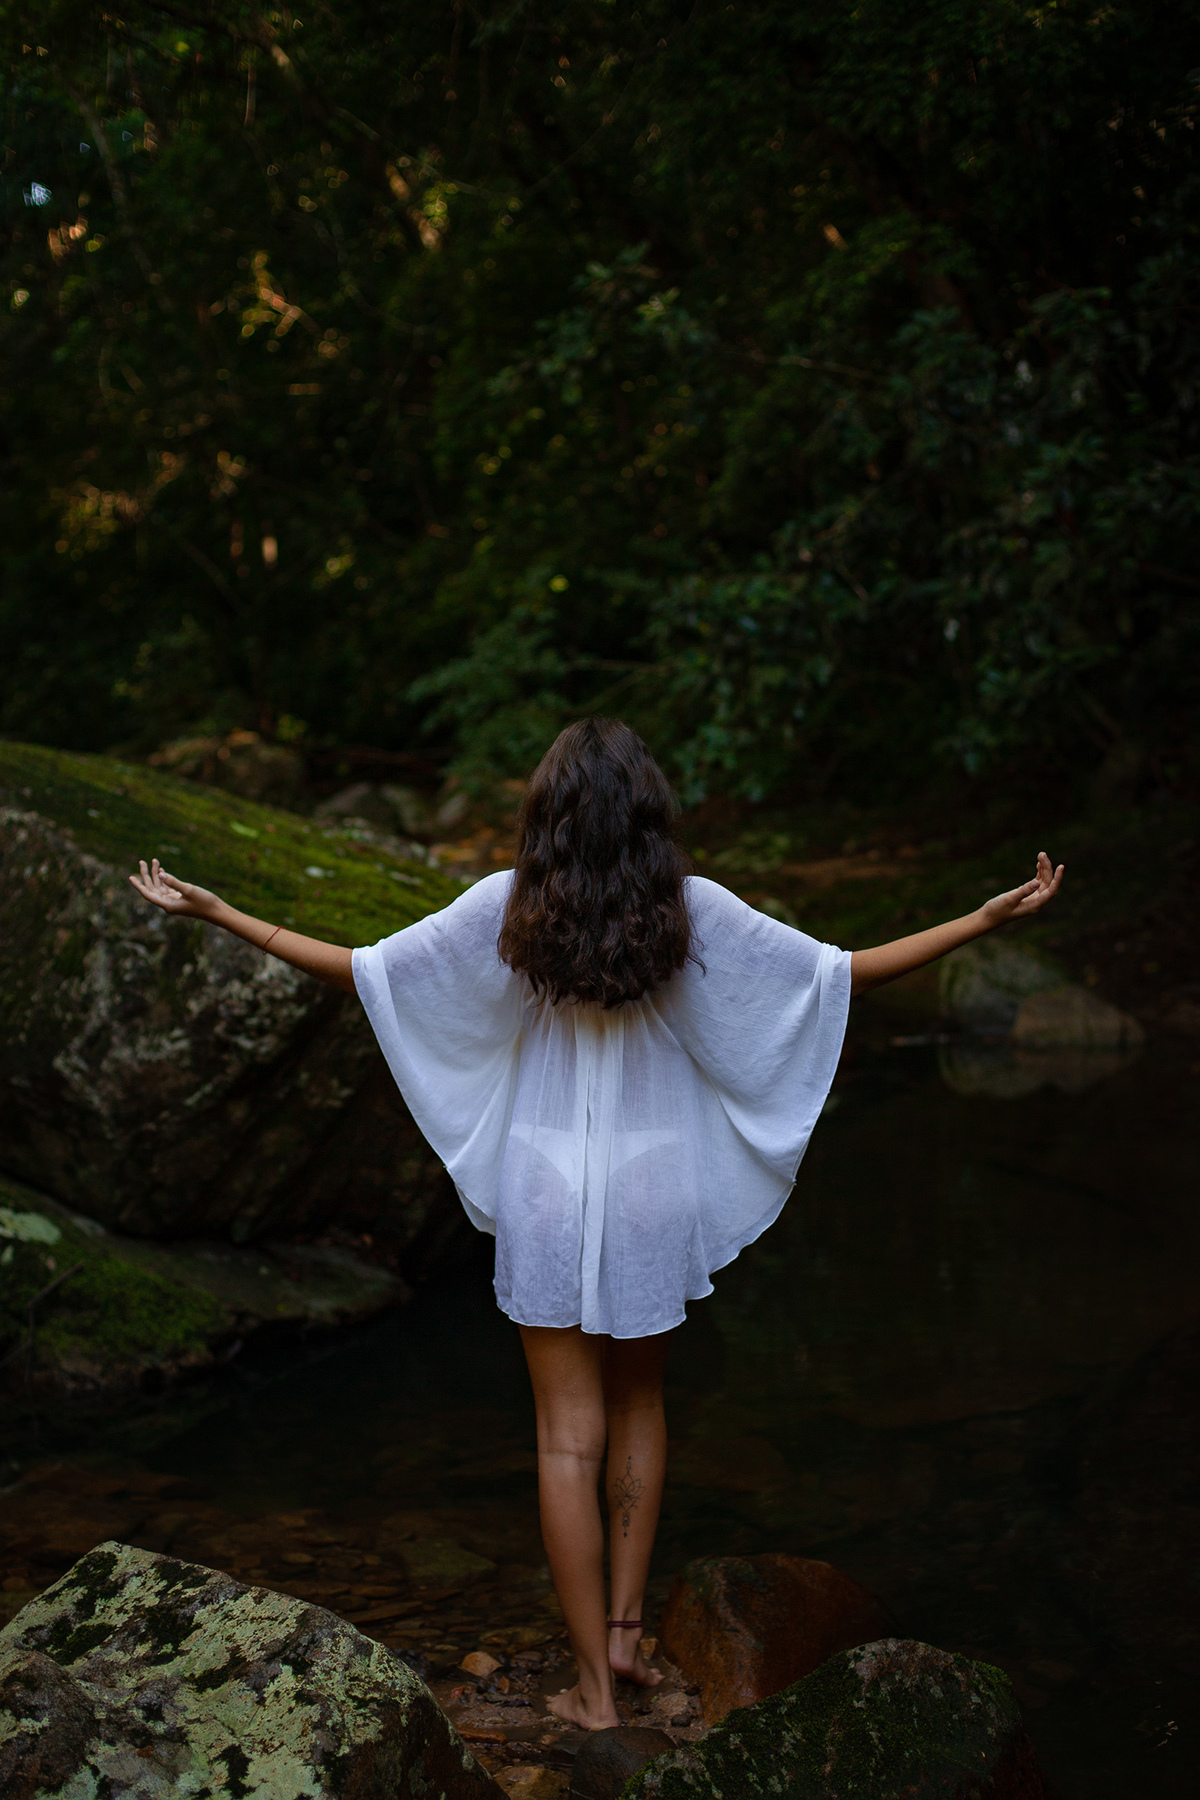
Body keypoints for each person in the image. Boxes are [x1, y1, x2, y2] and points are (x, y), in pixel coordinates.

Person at [129, 717, 1063, 1730]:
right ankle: (625, 1638)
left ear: (549, 815)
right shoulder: (687, 911)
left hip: (545, 1186)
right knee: (642, 1408)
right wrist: (978, 922)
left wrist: (227, 913)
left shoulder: (512, 906)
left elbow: (367, 972)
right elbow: (838, 976)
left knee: (565, 1439)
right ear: (651, 815)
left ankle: (592, 1689)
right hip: (655, 1185)